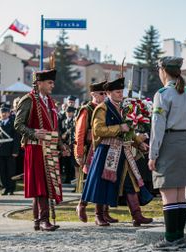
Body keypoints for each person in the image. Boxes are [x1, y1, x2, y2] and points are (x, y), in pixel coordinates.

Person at [81, 77, 153, 227]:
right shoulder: (102, 108)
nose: (121, 94)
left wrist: (139, 143)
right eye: (117, 92)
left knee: (130, 182)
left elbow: (129, 130)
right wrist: (119, 128)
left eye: (121, 91)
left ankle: (137, 215)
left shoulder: (122, 108)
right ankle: (98, 215)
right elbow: (97, 130)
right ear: (108, 93)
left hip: (122, 150)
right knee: (103, 183)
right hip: (106, 151)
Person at [148, 57, 186, 250]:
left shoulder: (162, 94)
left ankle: (170, 238)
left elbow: (157, 126)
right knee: (180, 193)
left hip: (168, 142)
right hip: (184, 143)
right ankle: (179, 237)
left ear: (163, 71)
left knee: (167, 192)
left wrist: (153, 153)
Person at [15, 68, 63, 231]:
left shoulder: (50, 101)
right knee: (40, 184)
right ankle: (43, 220)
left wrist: (62, 144)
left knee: (46, 183)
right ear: (39, 83)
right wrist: (33, 133)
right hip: (35, 148)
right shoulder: (28, 99)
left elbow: (54, 126)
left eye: (53, 82)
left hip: (49, 147)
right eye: (49, 82)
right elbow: (18, 124)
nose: (52, 86)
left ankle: (38, 220)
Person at [74, 80, 118, 223]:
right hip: (91, 150)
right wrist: (79, 153)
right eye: (101, 93)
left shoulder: (107, 107)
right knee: (93, 180)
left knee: (105, 179)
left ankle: (104, 212)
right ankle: (83, 205)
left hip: (106, 148)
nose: (104, 96)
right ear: (93, 94)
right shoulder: (87, 109)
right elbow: (80, 133)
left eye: (106, 93)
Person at [0, 106, 20, 195]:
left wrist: (15, 151)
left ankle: (11, 188)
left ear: (9, 113)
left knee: (11, 170)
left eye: (5, 112)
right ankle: (4, 187)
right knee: (1, 171)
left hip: (10, 150)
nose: (3, 114)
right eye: (2, 112)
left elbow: (16, 138)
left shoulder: (13, 123)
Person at [59, 106, 76, 184]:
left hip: (71, 145)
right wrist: (63, 143)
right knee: (65, 162)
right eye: (67, 112)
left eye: (70, 112)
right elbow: (60, 132)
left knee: (71, 162)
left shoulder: (74, 121)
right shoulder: (63, 121)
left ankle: (71, 178)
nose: (68, 114)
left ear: (73, 113)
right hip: (64, 144)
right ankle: (66, 178)